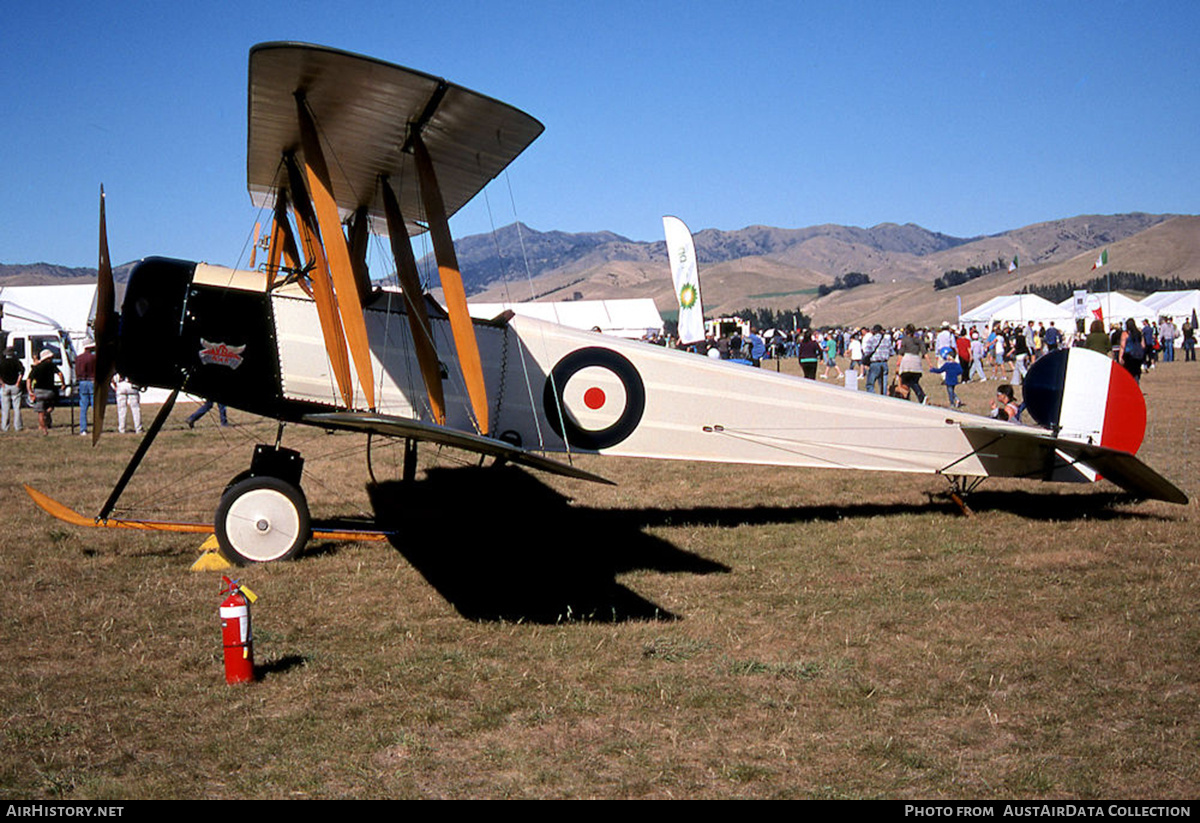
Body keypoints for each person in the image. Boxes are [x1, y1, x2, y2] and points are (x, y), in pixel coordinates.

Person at [27, 349, 63, 435]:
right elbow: (60, 374)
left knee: (40, 412)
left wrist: (30, 391)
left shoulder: (36, 367)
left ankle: (43, 429)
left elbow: (29, 379)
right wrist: (63, 383)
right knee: (51, 407)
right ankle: (47, 413)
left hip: (38, 391)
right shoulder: (52, 365)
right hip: (50, 391)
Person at [897, 324, 929, 403]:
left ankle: (919, 396)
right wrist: (930, 363)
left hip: (907, 362)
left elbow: (901, 353)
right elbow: (924, 353)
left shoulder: (904, 340)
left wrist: (898, 364)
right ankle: (920, 398)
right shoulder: (919, 341)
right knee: (914, 382)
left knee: (907, 382)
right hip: (917, 362)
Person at [862, 324, 894, 394]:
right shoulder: (886, 340)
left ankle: (872, 397)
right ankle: (883, 399)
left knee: (870, 384)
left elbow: (867, 352)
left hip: (874, 363)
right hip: (884, 363)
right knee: (883, 385)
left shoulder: (871, 339)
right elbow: (892, 352)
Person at [75, 339, 97, 437]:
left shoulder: (78, 358)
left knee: (83, 406)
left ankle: (83, 429)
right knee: (94, 406)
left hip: (82, 381)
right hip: (92, 380)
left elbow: (76, 371)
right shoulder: (94, 357)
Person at [1, 347, 25, 432]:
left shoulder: (2, 363)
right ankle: (18, 427)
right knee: (17, 407)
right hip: (15, 385)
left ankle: (5, 427)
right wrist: (18, 382)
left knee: (5, 408)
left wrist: (2, 383)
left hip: (5, 386)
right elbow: (21, 372)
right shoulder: (17, 362)